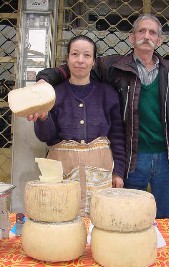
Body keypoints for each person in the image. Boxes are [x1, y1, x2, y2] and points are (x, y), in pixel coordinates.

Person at [35, 14, 169, 219]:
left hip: (167, 159)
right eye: (141, 31)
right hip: (133, 158)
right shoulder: (114, 67)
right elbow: (77, 67)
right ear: (131, 37)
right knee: (128, 216)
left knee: (163, 217)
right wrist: (44, 79)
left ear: (159, 40)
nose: (146, 36)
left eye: (152, 33)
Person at [27, 35, 126, 217]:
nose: (80, 60)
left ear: (94, 62)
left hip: (101, 174)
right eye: (75, 54)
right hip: (61, 171)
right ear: (67, 59)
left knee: (99, 220)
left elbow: (118, 136)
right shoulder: (53, 94)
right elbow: (46, 137)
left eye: (87, 55)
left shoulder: (108, 94)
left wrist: (118, 171)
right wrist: (43, 118)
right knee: (61, 218)